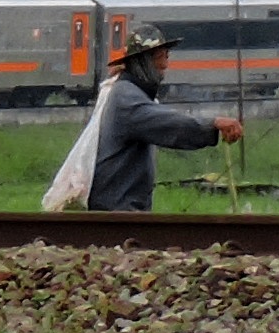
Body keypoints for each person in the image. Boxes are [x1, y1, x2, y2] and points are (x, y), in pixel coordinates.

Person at [42, 25, 242, 211]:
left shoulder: (127, 92)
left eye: (166, 56)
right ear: (142, 62)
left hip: (121, 208)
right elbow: (167, 124)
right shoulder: (126, 98)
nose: (165, 64)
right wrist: (212, 124)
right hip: (116, 211)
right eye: (159, 58)